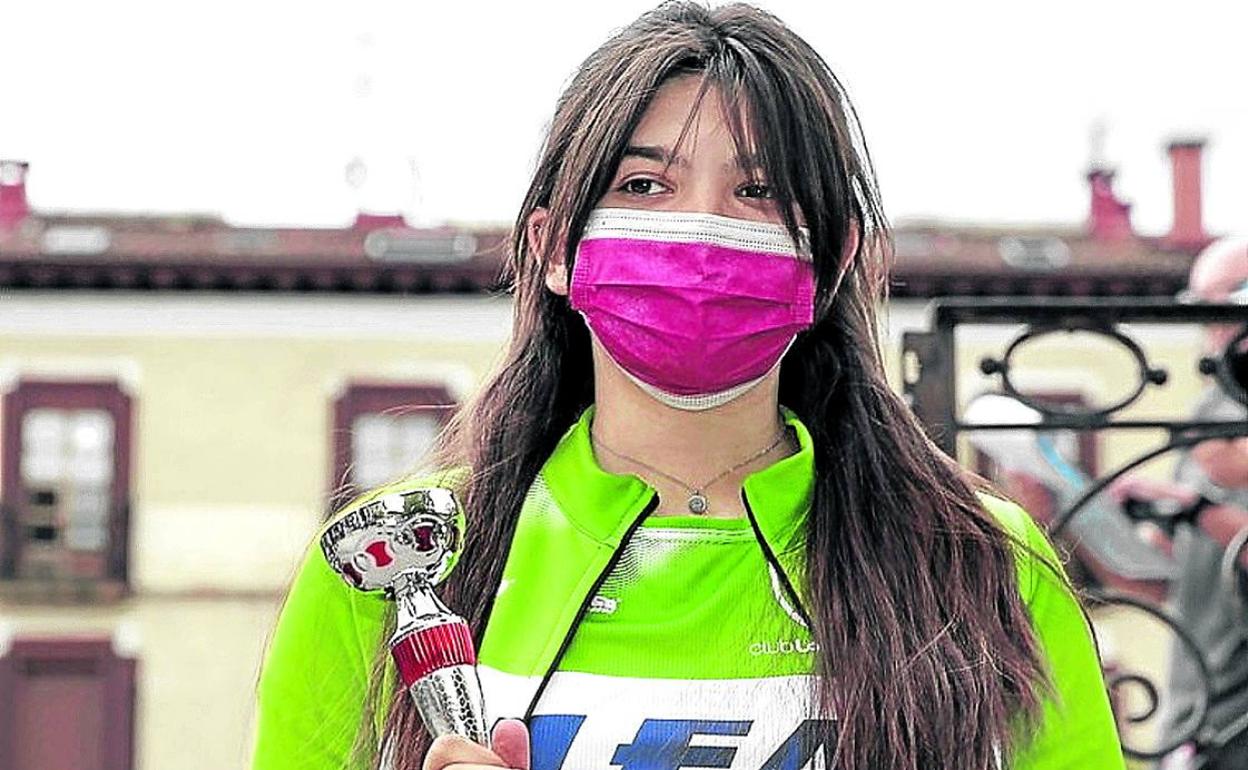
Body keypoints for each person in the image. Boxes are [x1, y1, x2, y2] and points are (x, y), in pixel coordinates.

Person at [250, 4, 1124, 769]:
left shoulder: (983, 566)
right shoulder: (388, 569)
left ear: (833, 258)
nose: (701, 228)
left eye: (758, 190)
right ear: (555, 246)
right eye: (643, 185)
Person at [1159, 236, 1248, 770]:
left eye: (1229, 300)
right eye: (1205, 306)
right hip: (1189, 721)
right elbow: (1161, 579)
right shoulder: (1207, 410)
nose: (1218, 324)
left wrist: (1203, 512)